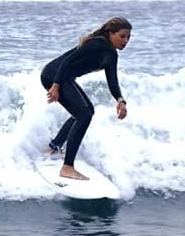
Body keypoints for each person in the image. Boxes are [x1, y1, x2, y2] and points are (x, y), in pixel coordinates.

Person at [41, 16, 131, 180]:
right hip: (53, 75)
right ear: (111, 33)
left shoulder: (111, 55)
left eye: (128, 37)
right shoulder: (97, 44)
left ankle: (54, 146)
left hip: (65, 78)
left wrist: (120, 100)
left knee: (87, 111)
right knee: (84, 115)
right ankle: (67, 167)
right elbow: (67, 62)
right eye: (122, 36)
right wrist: (55, 86)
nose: (125, 41)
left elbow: (112, 81)